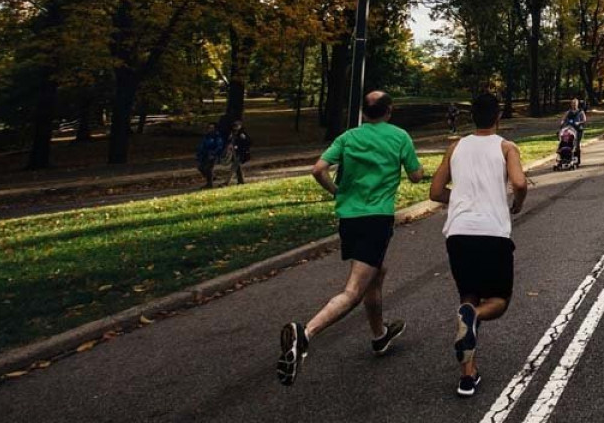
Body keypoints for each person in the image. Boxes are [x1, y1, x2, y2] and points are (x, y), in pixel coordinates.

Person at [277, 91, 424, 387]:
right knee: (354, 290)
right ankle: (306, 334)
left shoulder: (348, 137)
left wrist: (337, 192)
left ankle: (379, 336)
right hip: (376, 219)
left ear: (363, 112)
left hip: (349, 219)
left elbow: (318, 169)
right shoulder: (399, 136)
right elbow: (416, 177)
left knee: (376, 274)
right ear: (389, 111)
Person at [429, 93, 528, 397]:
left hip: (458, 233)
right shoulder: (506, 147)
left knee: (468, 298)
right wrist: (517, 204)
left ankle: (467, 377)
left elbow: (435, 191)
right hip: (492, 232)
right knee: (498, 300)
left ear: (472, 117)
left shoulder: (455, 146)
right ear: (498, 117)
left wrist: (458, 201)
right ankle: (476, 319)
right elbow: (520, 183)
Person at [223, 120, 251, 186]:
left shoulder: (242, 133)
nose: (235, 127)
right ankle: (241, 181)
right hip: (234, 153)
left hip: (240, 153)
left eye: (237, 126)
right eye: (234, 126)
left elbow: (248, 142)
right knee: (237, 167)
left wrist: (239, 145)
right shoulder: (232, 133)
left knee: (234, 167)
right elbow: (229, 141)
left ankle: (227, 182)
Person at [196, 123, 223, 189]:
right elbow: (202, 145)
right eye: (209, 128)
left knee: (209, 168)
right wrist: (199, 153)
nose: (210, 129)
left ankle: (209, 184)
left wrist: (213, 153)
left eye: (212, 128)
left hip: (213, 155)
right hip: (205, 154)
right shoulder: (207, 136)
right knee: (201, 167)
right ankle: (212, 177)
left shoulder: (217, 136)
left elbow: (219, 146)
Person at [562, 99, 587, 164]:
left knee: (577, 144)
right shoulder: (568, 112)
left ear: (577, 104)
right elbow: (563, 119)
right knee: (568, 144)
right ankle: (568, 158)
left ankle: (577, 159)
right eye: (572, 103)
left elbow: (584, 120)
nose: (574, 105)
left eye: (575, 103)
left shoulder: (581, 112)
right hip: (570, 130)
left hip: (578, 130)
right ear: (571, 104)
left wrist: (579, 122)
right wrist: (562, 122)